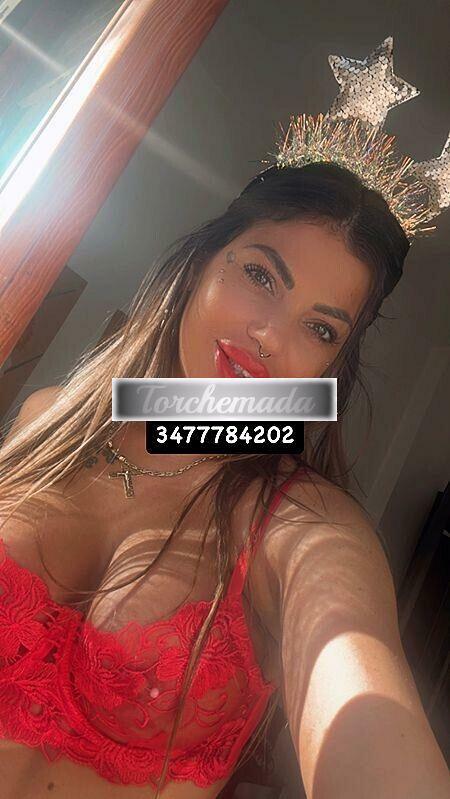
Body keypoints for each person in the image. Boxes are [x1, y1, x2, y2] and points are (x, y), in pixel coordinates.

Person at [0, 36, 449, 799]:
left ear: (332, 365)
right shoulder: (50, 418)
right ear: (202, 261)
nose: (270, 334)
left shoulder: (301, 524)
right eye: (261, 275)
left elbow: (353, 666)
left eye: (321, 327)